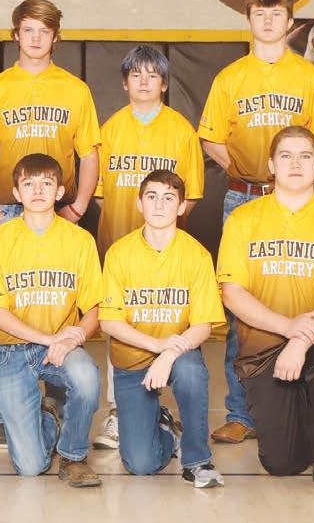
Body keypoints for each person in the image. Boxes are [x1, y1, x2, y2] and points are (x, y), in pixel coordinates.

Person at [197, 0, 314, 446]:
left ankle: (301, 405)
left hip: (297, 201)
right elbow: (211, 137)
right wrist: (244, 170)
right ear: (249, 20)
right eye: (260, 14)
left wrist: (290, 181)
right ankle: (242, 413)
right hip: (245, 199)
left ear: (290, 22)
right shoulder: (230, 77)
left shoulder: (308, 77)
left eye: (277, 14)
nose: (269, 21)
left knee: (304, 299)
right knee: (242, 310)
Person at [0, 0, 101, 448]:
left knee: (60, 299)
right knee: (3, 314)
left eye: (45, 31)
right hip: (8, 210)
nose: (36, 38)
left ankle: (58, 400)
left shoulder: (75, 90)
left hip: (58, 209)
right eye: (28, 30)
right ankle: (2, 415)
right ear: (15, 35)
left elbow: (89, 155)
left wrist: (78, 207)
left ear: (56, 38)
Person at [217, 126, 314, 492]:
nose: (295, 164)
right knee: (281, 463)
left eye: (305, 156)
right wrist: (287, 328)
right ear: (271, 165)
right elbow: (232, 294)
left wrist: (299, 341)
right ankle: (303, 412)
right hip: (264, 344)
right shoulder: (243, 220)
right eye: (286, 156)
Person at [91, 45, 205, 449]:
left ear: (165, 83)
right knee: (118, 329)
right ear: (124, 83)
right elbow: (101, 194)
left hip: (166, 251)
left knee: (167, 319)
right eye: (136, 74)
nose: (144, 81)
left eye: (152, 75)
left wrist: (160, 229)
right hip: (119, 247)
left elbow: (190, 196)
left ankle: (163, 409)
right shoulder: (108, 130)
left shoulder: (181, 131)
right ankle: (118, 410)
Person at [0, 153, 103, 487]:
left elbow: (94, 310)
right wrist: (50, 339)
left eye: (46, 183)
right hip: (12, 351)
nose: (37, 191)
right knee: (31, 467)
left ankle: (73, 456)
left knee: (87, 376)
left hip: (60, 347)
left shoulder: (79, 240)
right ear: (16, 193)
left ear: (59, 191)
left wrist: (75, 336)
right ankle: (49, 417)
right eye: (28, 184)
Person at [99, 170, 225, 488]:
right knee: (141, 464)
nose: (159, 204)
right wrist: (157, 346)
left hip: (179, 354)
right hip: (133, 358)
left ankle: (197, 461)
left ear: (181, 207)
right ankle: (167, 428)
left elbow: (202, 325)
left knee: (192, 372)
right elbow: (109, 321)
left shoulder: (196, 255)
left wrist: (168, 354)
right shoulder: (119, 253)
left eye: (169, 198)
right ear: (139, 203)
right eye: (151, 196)